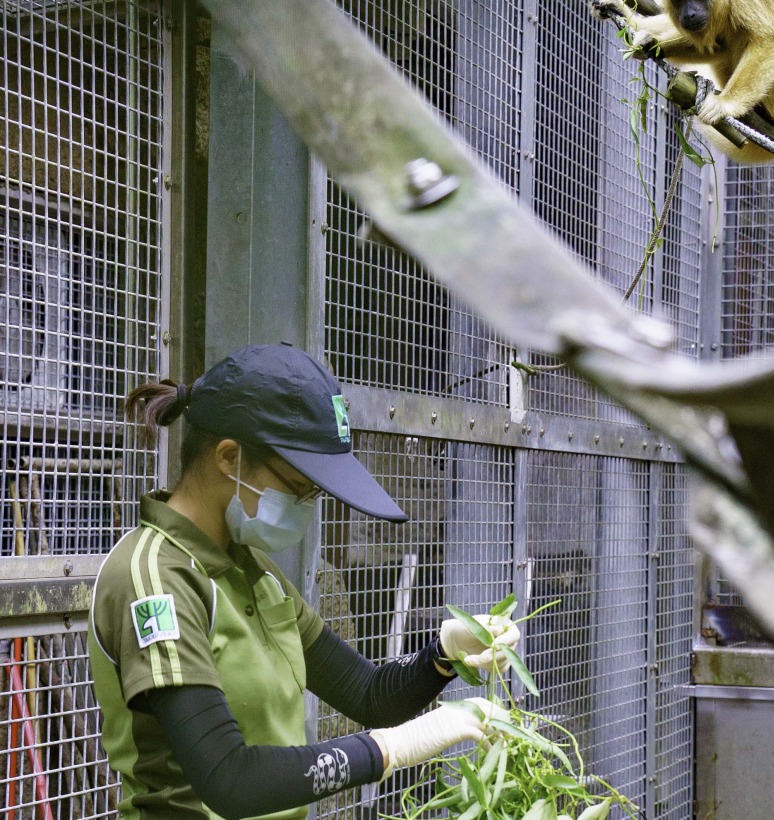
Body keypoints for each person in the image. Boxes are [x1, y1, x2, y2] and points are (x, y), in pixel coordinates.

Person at [88, 343, 520, 819]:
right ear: (229, 457)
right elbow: (230, 779)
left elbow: (368, 693)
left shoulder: (253, 571)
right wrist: (390, 749)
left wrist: (441, 655)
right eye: (299, 488)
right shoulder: (155, 579)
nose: (307, 506)